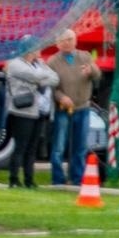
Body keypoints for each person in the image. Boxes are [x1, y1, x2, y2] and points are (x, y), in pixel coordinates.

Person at [47, 29, 101, 186]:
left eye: (70, 39)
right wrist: (61, 97)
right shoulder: (52, 61)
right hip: (63, 109)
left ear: (75, 40)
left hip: (83, 107)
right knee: (59, 146)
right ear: (57, 44)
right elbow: (51, 87)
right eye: (63, 40)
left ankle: (77, 178)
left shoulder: (85, 56)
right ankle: (58, 179)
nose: (67, 43)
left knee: (80, 146)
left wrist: (91, 70)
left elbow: (97, 75)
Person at [4, 48, 59, 189]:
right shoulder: (15, 63)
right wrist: (41, 78)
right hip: (22, 111)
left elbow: (55, 78)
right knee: (20, 146)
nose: (40, 50)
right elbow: (34, 77)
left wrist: (41, 78)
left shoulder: (40, 63)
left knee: (32, 148)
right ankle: (14, 179)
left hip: (39, 112)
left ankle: (29, 180)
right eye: (37, 47)